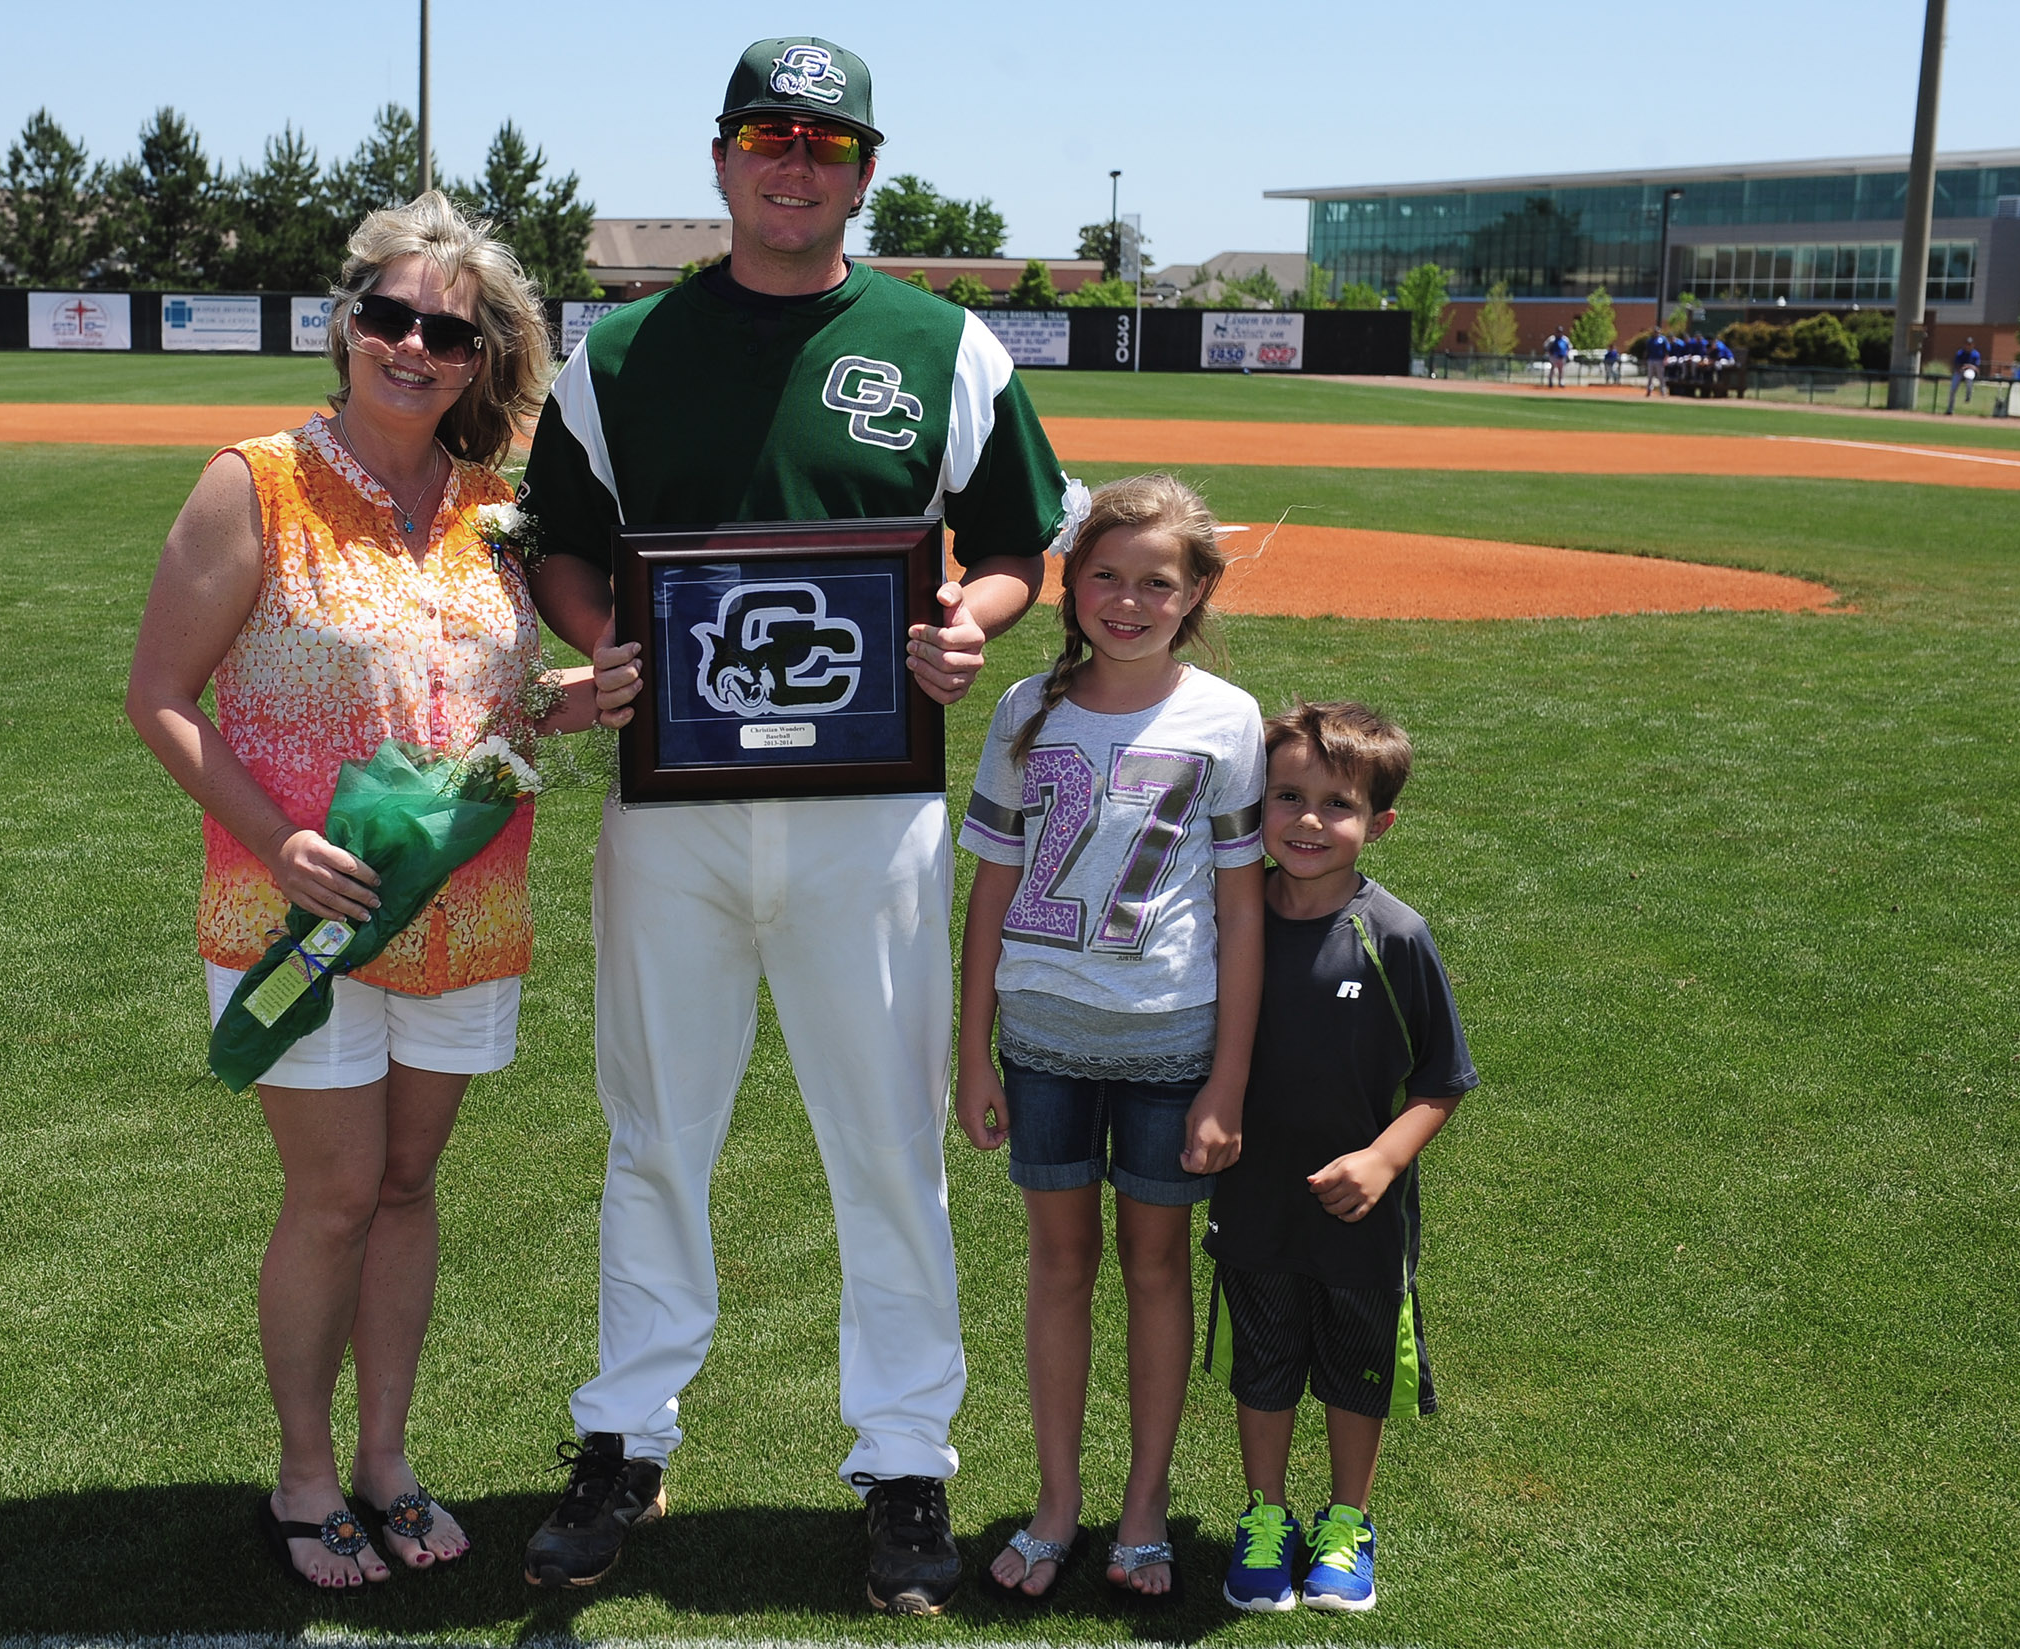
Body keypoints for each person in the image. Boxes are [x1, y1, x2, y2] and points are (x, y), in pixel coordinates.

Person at [515, 35, 1080, 1615]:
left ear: (864, 171)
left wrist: (970, 618)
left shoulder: (939, 341)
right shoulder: (619, 350)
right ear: (718, 158)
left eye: (825, 144)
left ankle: (906, 1463)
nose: (793, 163)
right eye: (767, 134)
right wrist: (595, 647)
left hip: (869, 810)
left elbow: (1022, 540)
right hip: (673, 810)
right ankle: (625, 1435)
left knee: (888, 1142)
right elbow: (563, 543)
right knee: (655, 1134)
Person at [125, 193, 569, 1589]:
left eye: (449, 330)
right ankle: (305, 1474)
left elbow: (490, 700)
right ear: (347, 323)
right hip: (298, 914)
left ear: (481, 356)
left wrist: (568, 700)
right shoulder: (253, 482)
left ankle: (387, 1455)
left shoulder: (504, 510)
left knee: (407, 1180)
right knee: (329, 1196)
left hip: (466, 906)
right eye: (392, 316)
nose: (415, 345)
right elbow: (160, 698)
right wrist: (272, 840)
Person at [955, 474, 1265, 1602]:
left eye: (1156, 582)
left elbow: (1239, 907)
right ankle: (1054, 1500)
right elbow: (989, 890)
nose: (1127, 601)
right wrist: (972, 1049)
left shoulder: (1226, 717)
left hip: (1168, 1045)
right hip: (1040, 1036)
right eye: (1106, 576)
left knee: (1156, 1267)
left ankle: (1143, 1505)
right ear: (1069, 581)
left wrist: (1226, 1077)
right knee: (1057, 1265)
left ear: (1198, 595)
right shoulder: (1027, 707)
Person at [1206, 700, 1477, 1615]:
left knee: (1357, 1366)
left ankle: (1347, 1523)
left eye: (1337, 804)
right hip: (1253, 1204)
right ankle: (1265, 1515)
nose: (1309, 820)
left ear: (1380, 824)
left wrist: (1384, 1161)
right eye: (1287, 795)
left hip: (1361, 1218)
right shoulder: (1226, 918)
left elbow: (1442, 1079)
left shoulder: (1394, 933)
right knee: (1267, 1361)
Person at [1951, 337, 1983, 410]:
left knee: (1968, 375)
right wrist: (1961, 368)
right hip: (1960, 371)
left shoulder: (1976, 354)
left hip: (1970, 371)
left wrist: (1969, 366)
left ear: (1973, 345)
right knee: (1952, 390)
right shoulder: (1960, 353)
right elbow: (1956, 366)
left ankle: (1968, 396)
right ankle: (1950, 409)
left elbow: (1977, 368)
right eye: (1967, 344)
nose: (1968, 346)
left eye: (1970, 344)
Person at [1642, 330, 1669, 397]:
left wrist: (1666, 359)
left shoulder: (1663, 339)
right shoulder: (1650, 340)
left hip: (1659, 360)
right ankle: (1649, 391)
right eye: (1655, 332)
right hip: (1651, 359)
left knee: (1661, 376)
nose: (1656, 333)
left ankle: (1663, 391)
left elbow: (1666, 350)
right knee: (1650, 376)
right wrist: (1645, 359)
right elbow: (1647, 350)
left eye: (1657, 332)